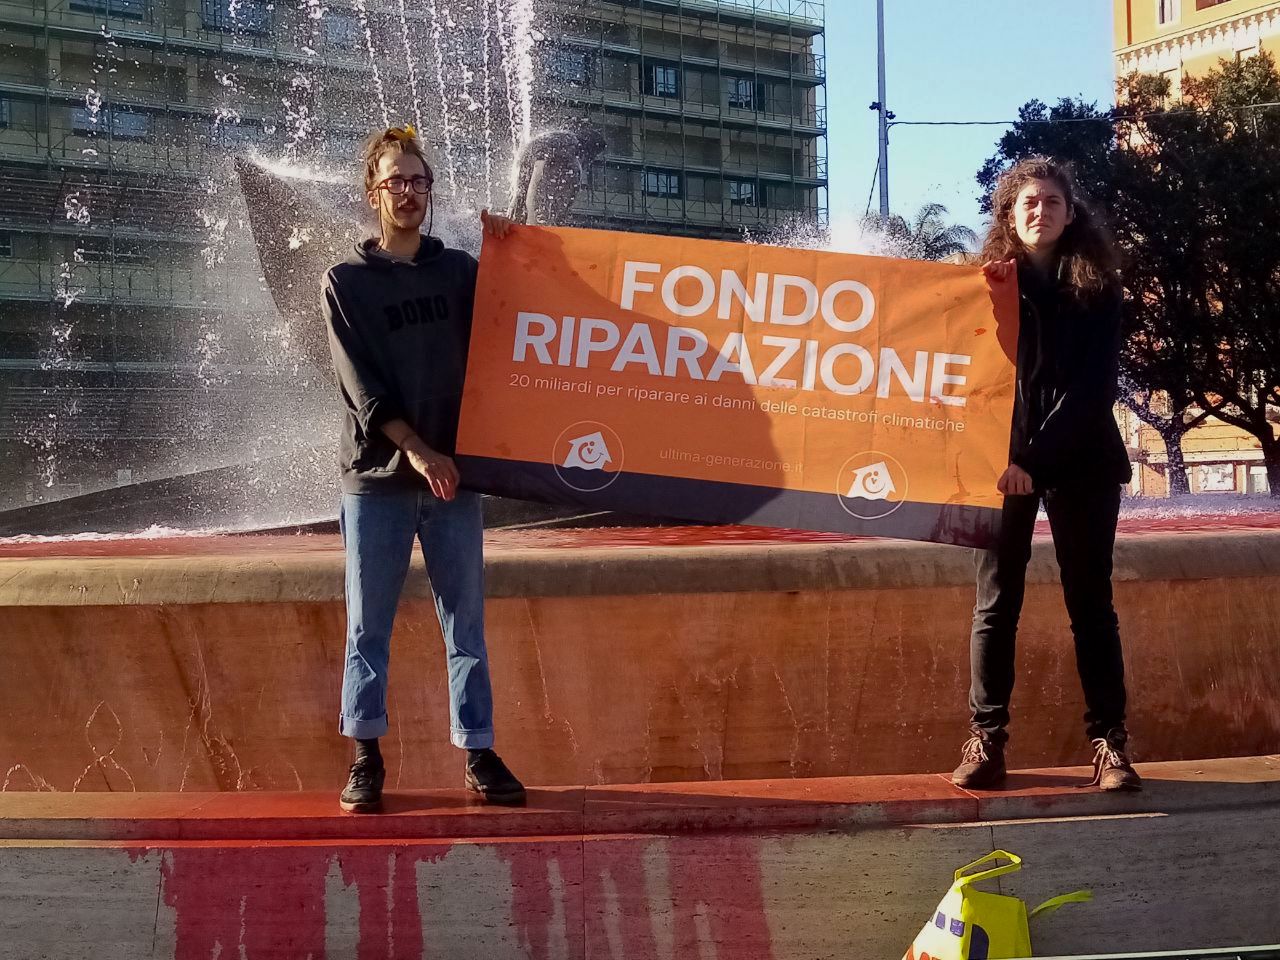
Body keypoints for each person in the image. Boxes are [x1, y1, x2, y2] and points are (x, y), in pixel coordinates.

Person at [321, 125, 524, 812]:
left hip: (453, 479)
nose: (409, 193)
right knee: (366, 626)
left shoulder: (460, 271)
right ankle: (366, 756)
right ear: (372, 193)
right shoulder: (345, 282)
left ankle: (478, 749)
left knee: (465, 622)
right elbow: (362, 386)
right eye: (395, 182)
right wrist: (418, 449)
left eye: (419, 181)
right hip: (379, 480)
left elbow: (513, 323)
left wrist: (513, 249)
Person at [951, 155, 1141, 793]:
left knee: (1092, 605)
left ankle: (1109, 745)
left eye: (1053, 203)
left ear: (1069, 213)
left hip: (1079, 459)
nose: (1041, 211)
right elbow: (969, 380)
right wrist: (1005, 459)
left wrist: (1032, 459)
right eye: (1028, 203)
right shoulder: (983, 285)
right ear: (1010, 213)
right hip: (1000, 465)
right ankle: (986, 740)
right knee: (995, 603)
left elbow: (1094, 389)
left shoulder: (1098, 286)